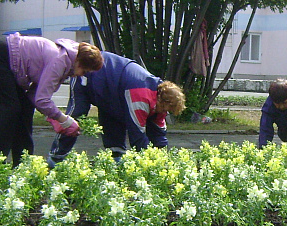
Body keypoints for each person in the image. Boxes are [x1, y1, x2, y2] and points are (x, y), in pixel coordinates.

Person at [0, 32, 103, 166]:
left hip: (7, 59)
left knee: (25, 110)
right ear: (79, 63)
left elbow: (33, 96)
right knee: (8, 110)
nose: (81, 75)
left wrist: (53, 118)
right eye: (84, 71)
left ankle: (23, 165)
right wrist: (64, 119)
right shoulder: (60, 60)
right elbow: (42, 100)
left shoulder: (66, 61)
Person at [48, 50, 185, 165]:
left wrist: (164, 157)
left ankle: (115, 157)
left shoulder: (160, 103)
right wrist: (148, 163)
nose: (166, 113)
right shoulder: (141, 95)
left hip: (112, 89)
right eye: (167, 109)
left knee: (114, 117)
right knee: (74, 118)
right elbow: (136, 133)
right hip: (89, 74)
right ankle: (56, 157)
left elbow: (159, 132)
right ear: (162, 100)